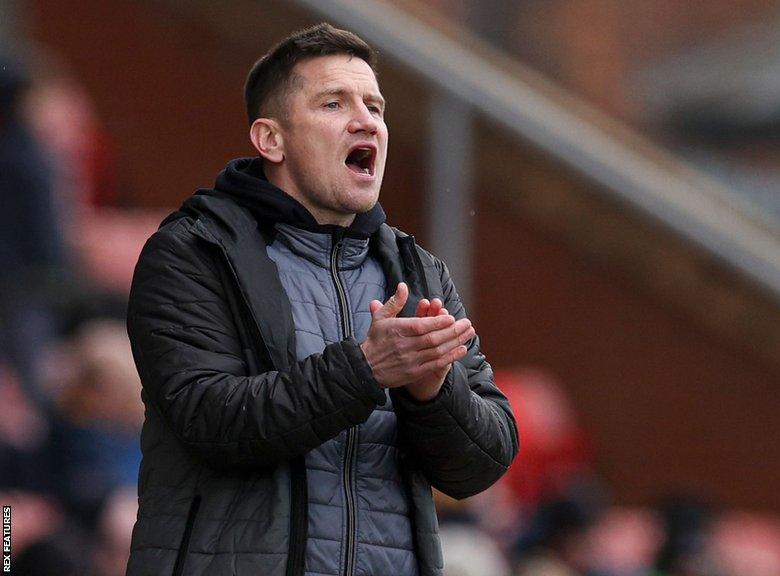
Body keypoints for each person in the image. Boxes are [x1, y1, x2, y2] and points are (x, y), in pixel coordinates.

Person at [125, 23, 518, 576]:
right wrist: (365, 370)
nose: (367, 121)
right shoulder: (194, 252)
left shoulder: (417, 270)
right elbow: (209, 419)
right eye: (333, 103)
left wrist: (432, 393)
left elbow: (482, 463)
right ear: (271, 140)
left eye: (376, 107)